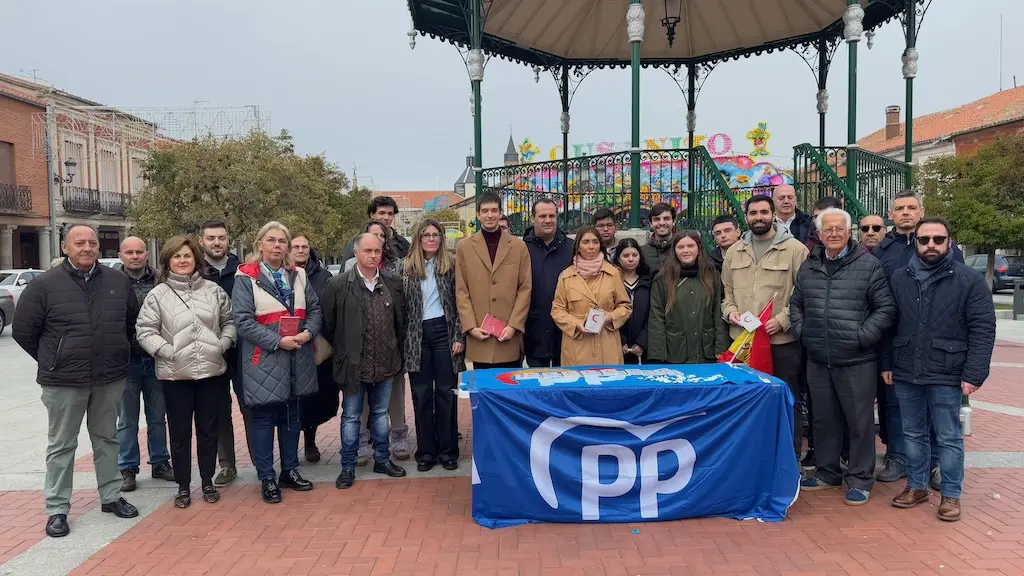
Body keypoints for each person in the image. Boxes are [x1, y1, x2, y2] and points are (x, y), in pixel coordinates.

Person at [12, 224, 140, 538]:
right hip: (63, 382)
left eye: (92, 243)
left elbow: (130, 324)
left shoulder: (117, 281)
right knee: (62, 445)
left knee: (107, 439)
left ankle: (110, 496)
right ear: (65, 247)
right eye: (79, 242)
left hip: (108, 378)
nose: (87, 248)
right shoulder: (44, 285)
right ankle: (57, 509)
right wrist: (53, 359)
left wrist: (119, 354)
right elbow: (23, 331)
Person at [883, 216, 995, 522]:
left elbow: (983, 328)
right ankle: (917, 486)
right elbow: (888, 325)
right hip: (906, 370)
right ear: (916, 242)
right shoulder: (899, 277)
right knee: (913, 433)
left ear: (949, 242)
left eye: (937, 239)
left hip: (947, 372)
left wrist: (974, 374)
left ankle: (950, 495)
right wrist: (887, 363)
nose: (930, 244)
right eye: (924, 239)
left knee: (948, 437)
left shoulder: (969, 280)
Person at [790, 209, 896, 505]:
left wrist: (862, 337)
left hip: (856, 361)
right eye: (828, 229)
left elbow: (885, 309)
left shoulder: (869, 265)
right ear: (819, 234)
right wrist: (803, 332)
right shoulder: (808, 266)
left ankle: (861, 479)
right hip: (818, 358)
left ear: (849, 232)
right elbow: (796, 303)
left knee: (859, 423)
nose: (833, 234)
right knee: (823, 420)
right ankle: (827, 472)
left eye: (839, 229)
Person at [135, 236, 236, 508]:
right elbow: (145, 330)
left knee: (208, 431)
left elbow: (230, 322)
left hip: (210, 374)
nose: (183, 261)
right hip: (174, 375)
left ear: (196, 260)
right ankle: (182, 486)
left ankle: (206, 481)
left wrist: (223, 344)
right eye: (177, 256)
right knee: (179, 434)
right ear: (168, 262)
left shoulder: (214, 291)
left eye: (188, 256)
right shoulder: (158, 295)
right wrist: (167, 351)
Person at [873, 191, 964, 487]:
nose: (906, 213)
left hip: (941, 349)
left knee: (939, 416)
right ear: (891, 215)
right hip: (900, 346)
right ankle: (898, 457)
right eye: (899, 208)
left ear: (921, 212)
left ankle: (937, 466)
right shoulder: (881, 251)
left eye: (912, 208)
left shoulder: (946, 248)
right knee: (897, 408)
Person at [232, 221, 322, 504]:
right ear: (260, 243)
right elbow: (243, 321)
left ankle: (290, 470)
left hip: (298, 357)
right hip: (265, 359)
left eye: (282, 241)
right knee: (262, 420)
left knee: (292, 418)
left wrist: (309, 332)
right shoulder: (246, 277)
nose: (277, 246)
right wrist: (276, 341)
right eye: (271, 240)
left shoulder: (299, 275)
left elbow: (315, 308)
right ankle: (267, 477)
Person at [722, 195, 809, 464]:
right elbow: (727, 294)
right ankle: (749, 457)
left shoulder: (795, 249)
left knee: (786, 401)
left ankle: (789, 458)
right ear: (745, 217)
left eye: (763, 212)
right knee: (745, 402)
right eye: (753, 213)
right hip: (743, 345)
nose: (758, 217)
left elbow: (804, 293)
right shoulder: (735, 251)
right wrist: (730, 313)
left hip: (781, 343)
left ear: (773, 214)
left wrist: (783, 320)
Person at [323, 233, 408, 489]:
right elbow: (329, 324)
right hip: (353, 365)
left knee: (381, 414)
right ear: (356, 253)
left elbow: (400, 322)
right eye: (367, 251)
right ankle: (347, 466)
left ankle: (382, 458)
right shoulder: (338, 285)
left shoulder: (392, 282)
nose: (373, 256)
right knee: (351, 416)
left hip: (386, 362)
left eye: (377, 251)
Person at [402, 220, 465, 472]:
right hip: (417, 335)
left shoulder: (451, 266)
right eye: (426, 235)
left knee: (446, 393)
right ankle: (426, 451)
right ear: (418, 238)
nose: (431, 239)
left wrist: (459, 336)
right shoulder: (405, 269)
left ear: (441, 238)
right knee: (421, 394)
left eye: (436, 235)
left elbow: (461, 303)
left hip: (444, 332)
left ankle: (448, 450)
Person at [344, 220, 409, 462]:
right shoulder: (344, 280)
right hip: (358, 352)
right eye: (371, 240)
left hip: (388, 350)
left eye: (381, 239)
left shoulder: (393, 277)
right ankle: (357, 447)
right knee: (358, 405)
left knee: (387, 402)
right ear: (358, 249)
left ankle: (393, 443)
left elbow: (401, 315)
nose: (376, 244)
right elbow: (334, 320)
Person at [115, 236, 174, 492]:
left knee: (157, 417)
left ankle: (160, 461)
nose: (135, 256)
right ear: (121, 255)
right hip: (125, 362)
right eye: (129, 252)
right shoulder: (112, 282)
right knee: (127, 419)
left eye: (139, 251)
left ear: (147, 255)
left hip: (156, 358)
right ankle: (127, 467)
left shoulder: (161, 279)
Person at [455, 192, 533, 369]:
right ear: (478, 214)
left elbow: (525, 289)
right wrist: (470, 327)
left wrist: (514, 325)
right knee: (482, 391)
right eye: (485, 211)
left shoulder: (518, 246)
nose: (489, 215)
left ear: (500, 213)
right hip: (479, 335)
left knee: (509, 390)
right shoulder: (465, 248)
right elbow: (461, 290)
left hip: (508, 335)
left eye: (494, 210)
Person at [199, 220, 249, 488]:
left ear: (228, 240)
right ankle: (227, 465)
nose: (216, 242)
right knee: (217, 412)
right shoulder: (195, 274)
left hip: (243, 351)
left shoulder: (244, 271)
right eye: (210, 238)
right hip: (211, 352)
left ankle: (260, 462)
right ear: (202, 241)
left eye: (221, 237)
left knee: (251, 407)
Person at [551, 226, 632, 366]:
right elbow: (557, 310)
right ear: (578, 246)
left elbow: (625, 306)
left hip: (607, 342)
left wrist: (610, 317)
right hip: (577, 344)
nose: (591, 246)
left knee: (608, 384)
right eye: (586, 242)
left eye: (595, 242)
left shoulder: (613, 273)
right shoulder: (566, 276)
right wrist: (576, 324)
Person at [648, 231, 730, 364]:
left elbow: (717, 312)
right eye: (680, 247)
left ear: (698, 247)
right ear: (674, 250)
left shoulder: (711, 274)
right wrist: (658, 355)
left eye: (690, 246)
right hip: (676, 351)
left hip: (705, 349)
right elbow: (656, 317)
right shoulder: (663, 278)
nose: (685, 251)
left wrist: (721, 348)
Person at [290, 234, 336, 463]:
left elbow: (329, 309)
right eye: (295, 246)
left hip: (317, 347)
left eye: (304, 246)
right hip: (288, 346)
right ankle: (289, 447)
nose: (300, 250)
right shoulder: (279, 275)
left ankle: (310, 440)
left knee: (315, 399)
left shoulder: (323, 276)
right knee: (291, 398)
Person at [523, 198, 574, 368]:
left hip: (566, 331)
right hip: (533, 331)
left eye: (552, 215)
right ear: (533, 218)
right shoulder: (521, 248)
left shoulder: (571, 248)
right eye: (542, 215)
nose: (547, 220)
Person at [612, 238, 650, 364]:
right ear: (618, 258)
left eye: (634, 255)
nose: (631, 259)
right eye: (626, 255)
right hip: (617, 346)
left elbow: (653, 315)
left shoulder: (648, 282)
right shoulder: (611, 283)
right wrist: (621, 341)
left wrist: (642, 342)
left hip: (644, 349)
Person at [340, 196, 411, 261]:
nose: (386, 218)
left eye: (390, 214)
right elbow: (346, 272)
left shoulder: (403, 244)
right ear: (372, 215)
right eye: (382, 213)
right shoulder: (356, 243)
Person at [641, 203, 677, 273]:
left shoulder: (683, 249)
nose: (662, 223)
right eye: (657, 219)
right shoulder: (642, 252)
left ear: (674, 221)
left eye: (666, 219)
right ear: (651, 224)